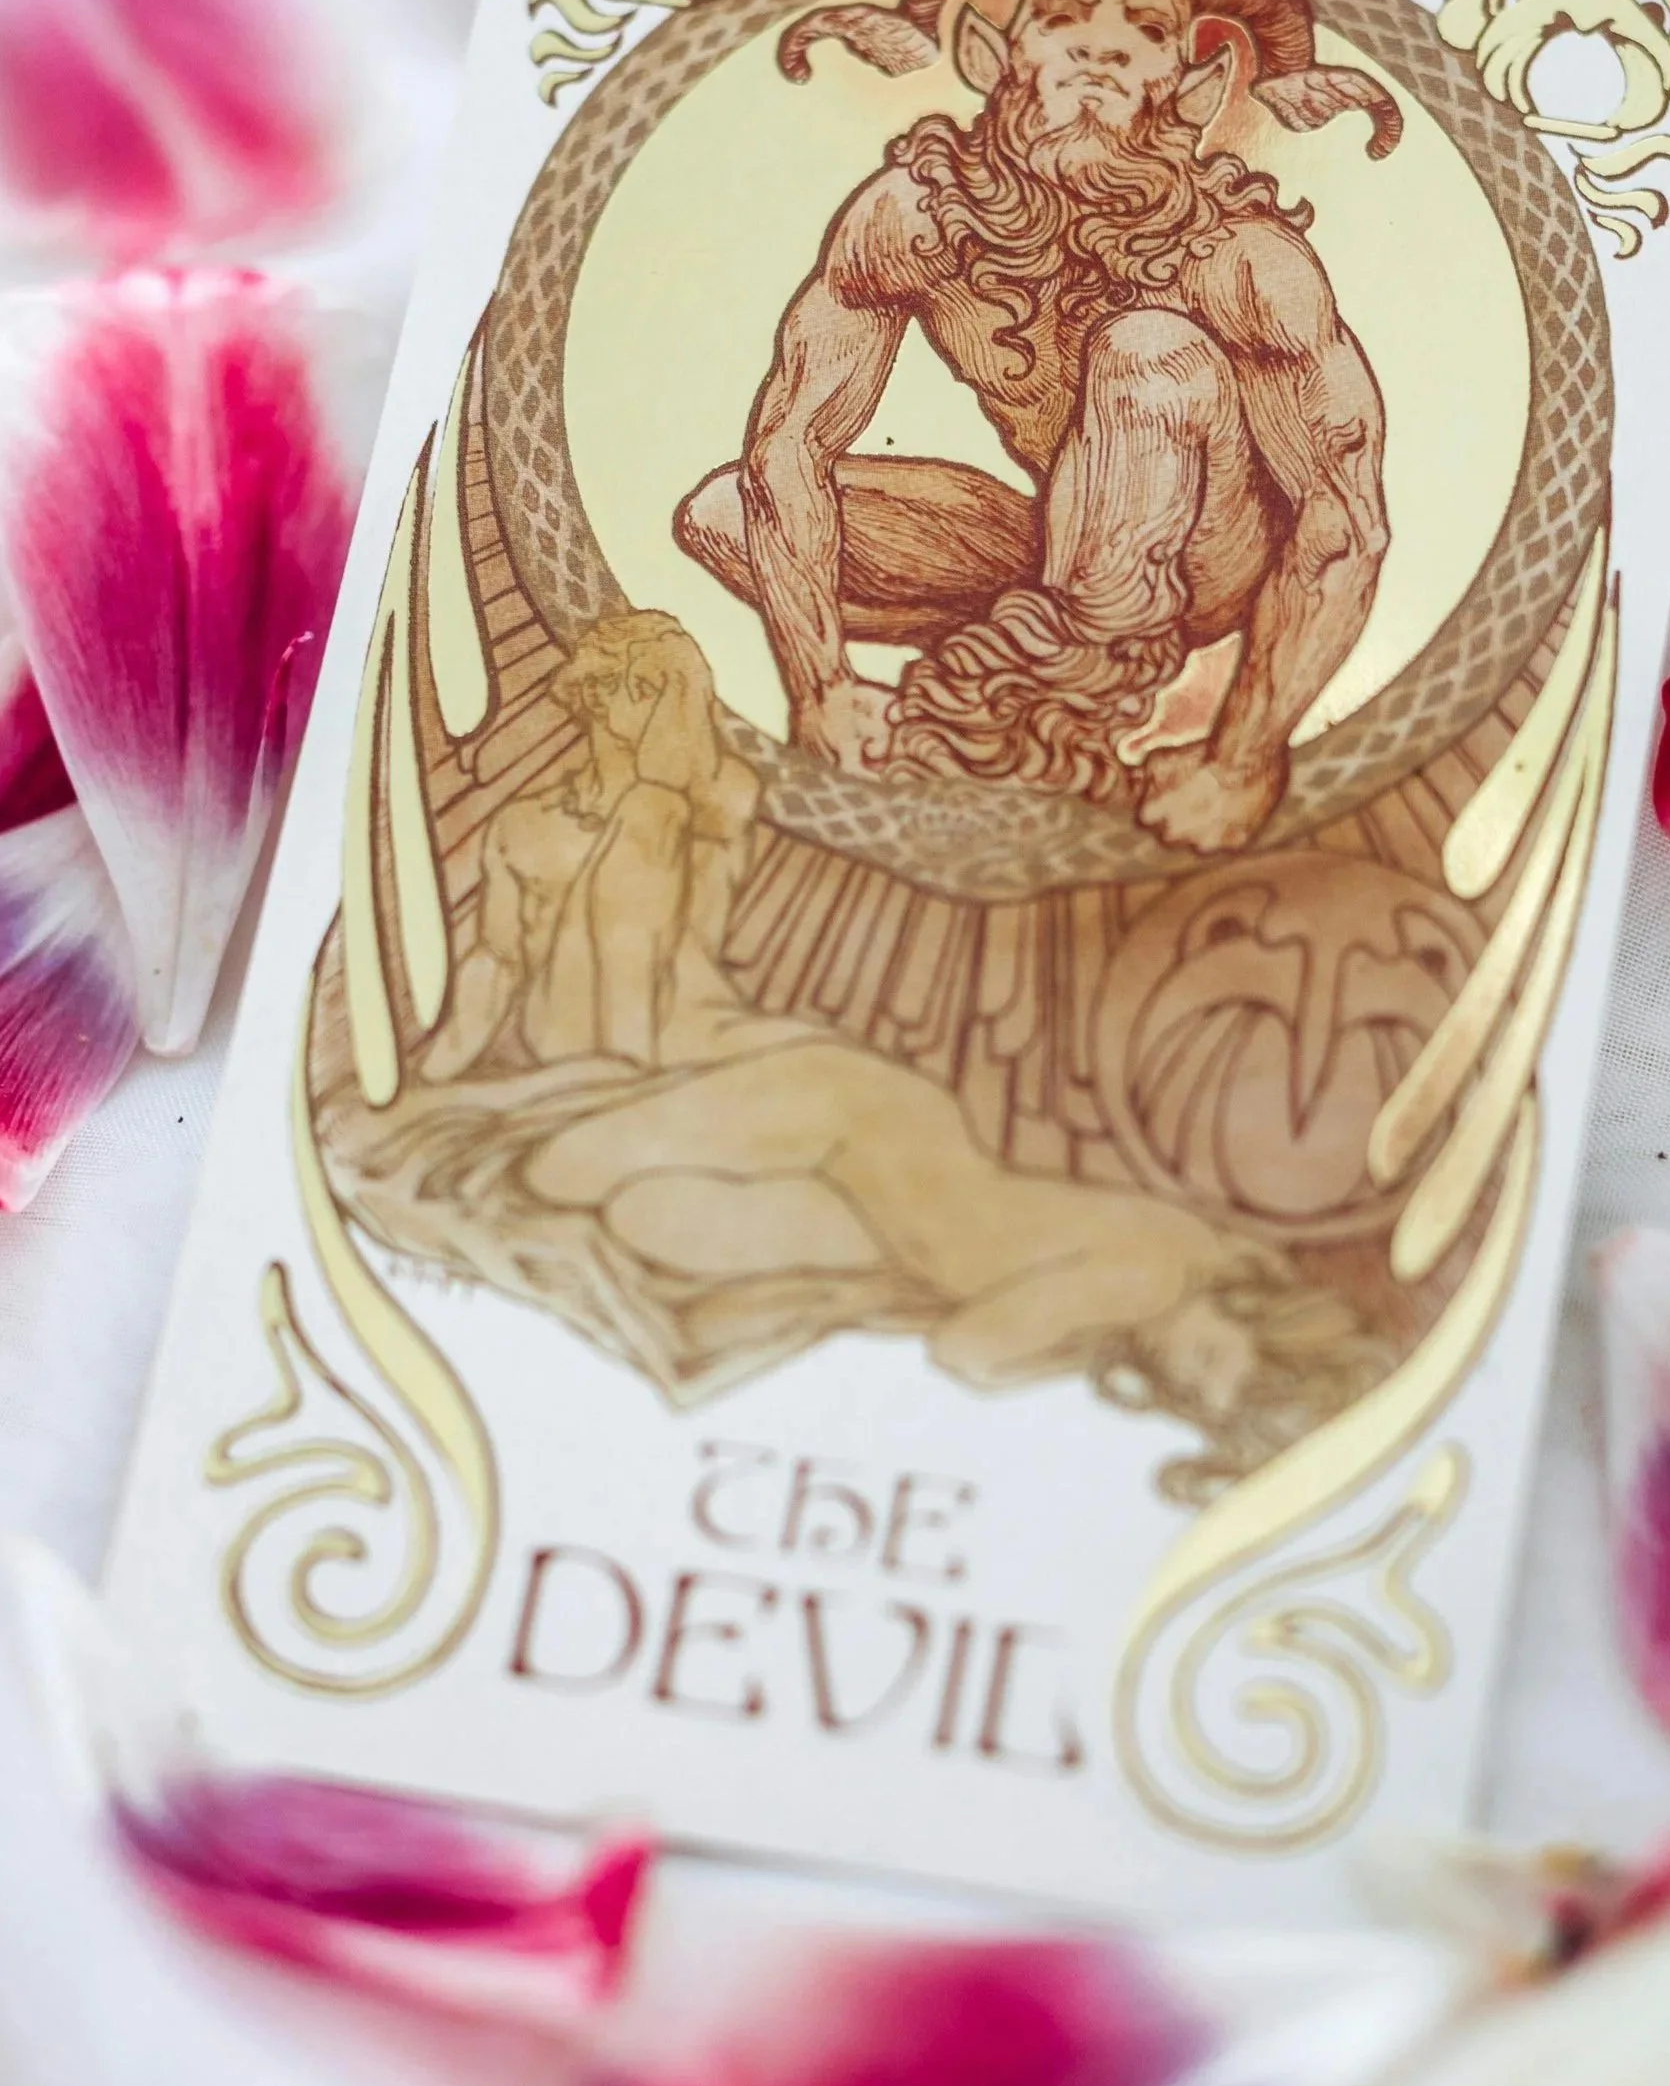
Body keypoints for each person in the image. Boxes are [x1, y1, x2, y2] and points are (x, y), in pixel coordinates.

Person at [330, 611, 1383, 1490]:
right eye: (1216, 1363)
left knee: (645, 1227)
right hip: (858, 1122)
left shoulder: (1156, 1288)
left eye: (1197, 1397)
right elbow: (973, 1354)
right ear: (1254, 1315)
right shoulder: (1154, 1273)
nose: (1184, 1373)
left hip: (876, 1242)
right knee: (558, 1173)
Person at [674, 0, 1394, 853]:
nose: (1101, 46)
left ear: (1194, 88)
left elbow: (1345, 520)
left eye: (1145, 31)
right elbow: (791, 445)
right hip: (1062, 540)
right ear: (995, 57)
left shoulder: (1246, 258)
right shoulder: (910, 216)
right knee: (725, 513)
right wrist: (821, 687)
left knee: (1147, 349)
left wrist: (1242, 759)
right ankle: (1021, 660)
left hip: (1209, 568)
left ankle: (1057, 712)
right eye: (1062, 18)